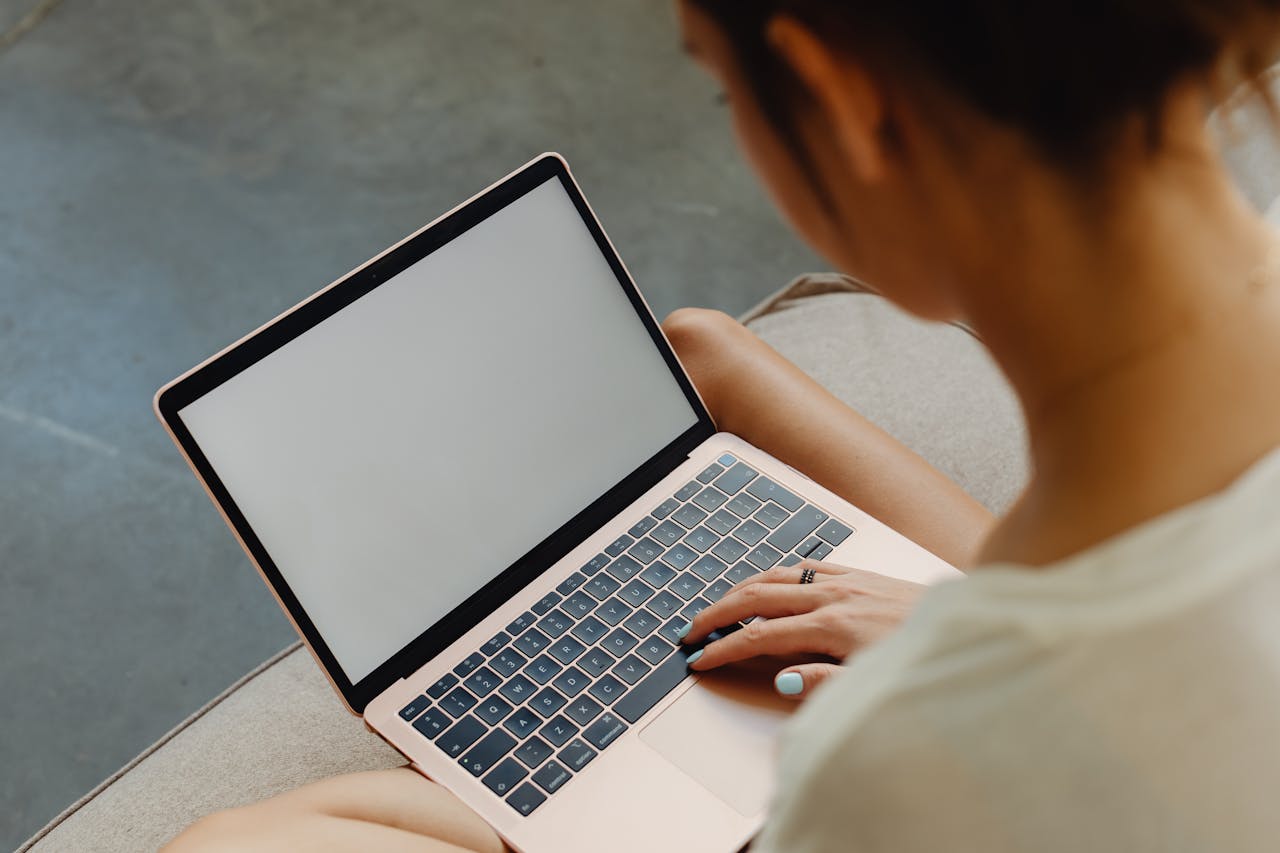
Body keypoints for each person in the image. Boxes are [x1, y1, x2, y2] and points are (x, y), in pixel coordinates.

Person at [169, 1, 1280, 850]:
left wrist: (959, 657)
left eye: (721, 90)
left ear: (838, 95)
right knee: (702, 352)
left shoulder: (902, 771)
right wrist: (957, 620)